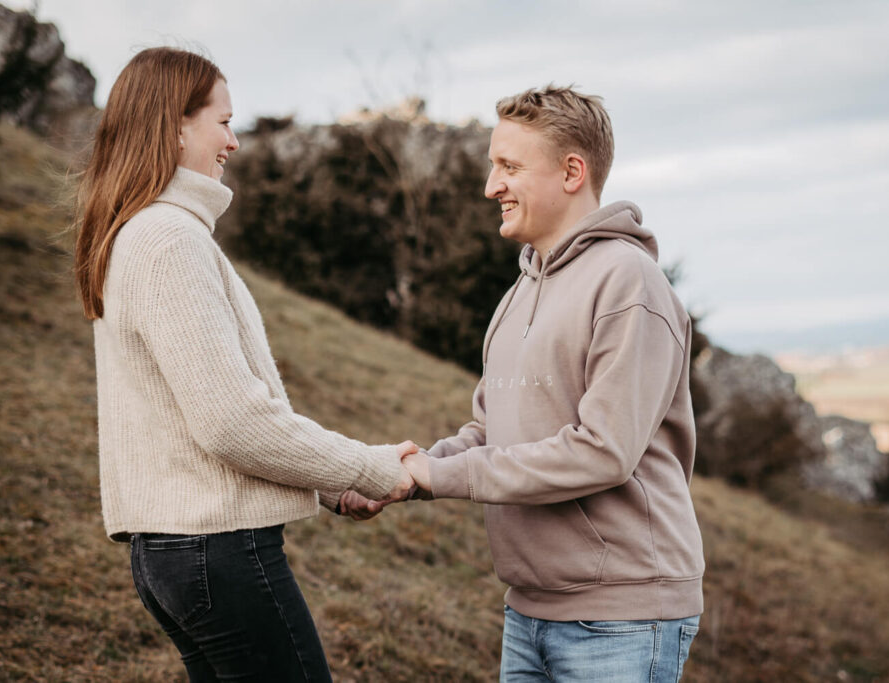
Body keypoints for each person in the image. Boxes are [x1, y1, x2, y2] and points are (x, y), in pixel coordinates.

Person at [73, 47, 415, 682]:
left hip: (179, 552)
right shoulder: (169, 238)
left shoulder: (148, 232)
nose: (233, 140)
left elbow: (196, 415)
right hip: (213, 552)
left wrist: (326, 487)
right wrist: (367, 467)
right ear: (176, 124)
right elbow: (231, 420)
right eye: (223, 121)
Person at [346, 85, 706, 681]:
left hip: (622, 618)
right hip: (528, 613)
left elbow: (604, 451)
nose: (492, 186)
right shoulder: (517, 296)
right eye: (494, 166)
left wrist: (440, 476)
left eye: (509, 166)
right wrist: (398, 477)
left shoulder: (629, 283)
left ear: (572, 171)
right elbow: (489, 433)